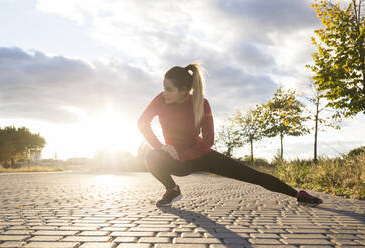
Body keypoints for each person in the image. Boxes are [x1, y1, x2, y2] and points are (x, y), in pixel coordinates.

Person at [137, 62, 323, 208]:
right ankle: (172, 189)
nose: (164, 93)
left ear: (184, 91)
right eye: (164, 87)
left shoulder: (202, 104)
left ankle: (298, 195)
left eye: (169, 89)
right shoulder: (161, 100)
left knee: (252, 175)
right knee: (152, 156)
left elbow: (208, 140)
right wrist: (162, 147)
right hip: (173, 159)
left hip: (200, 155)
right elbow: (142, 123)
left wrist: (185, 155)